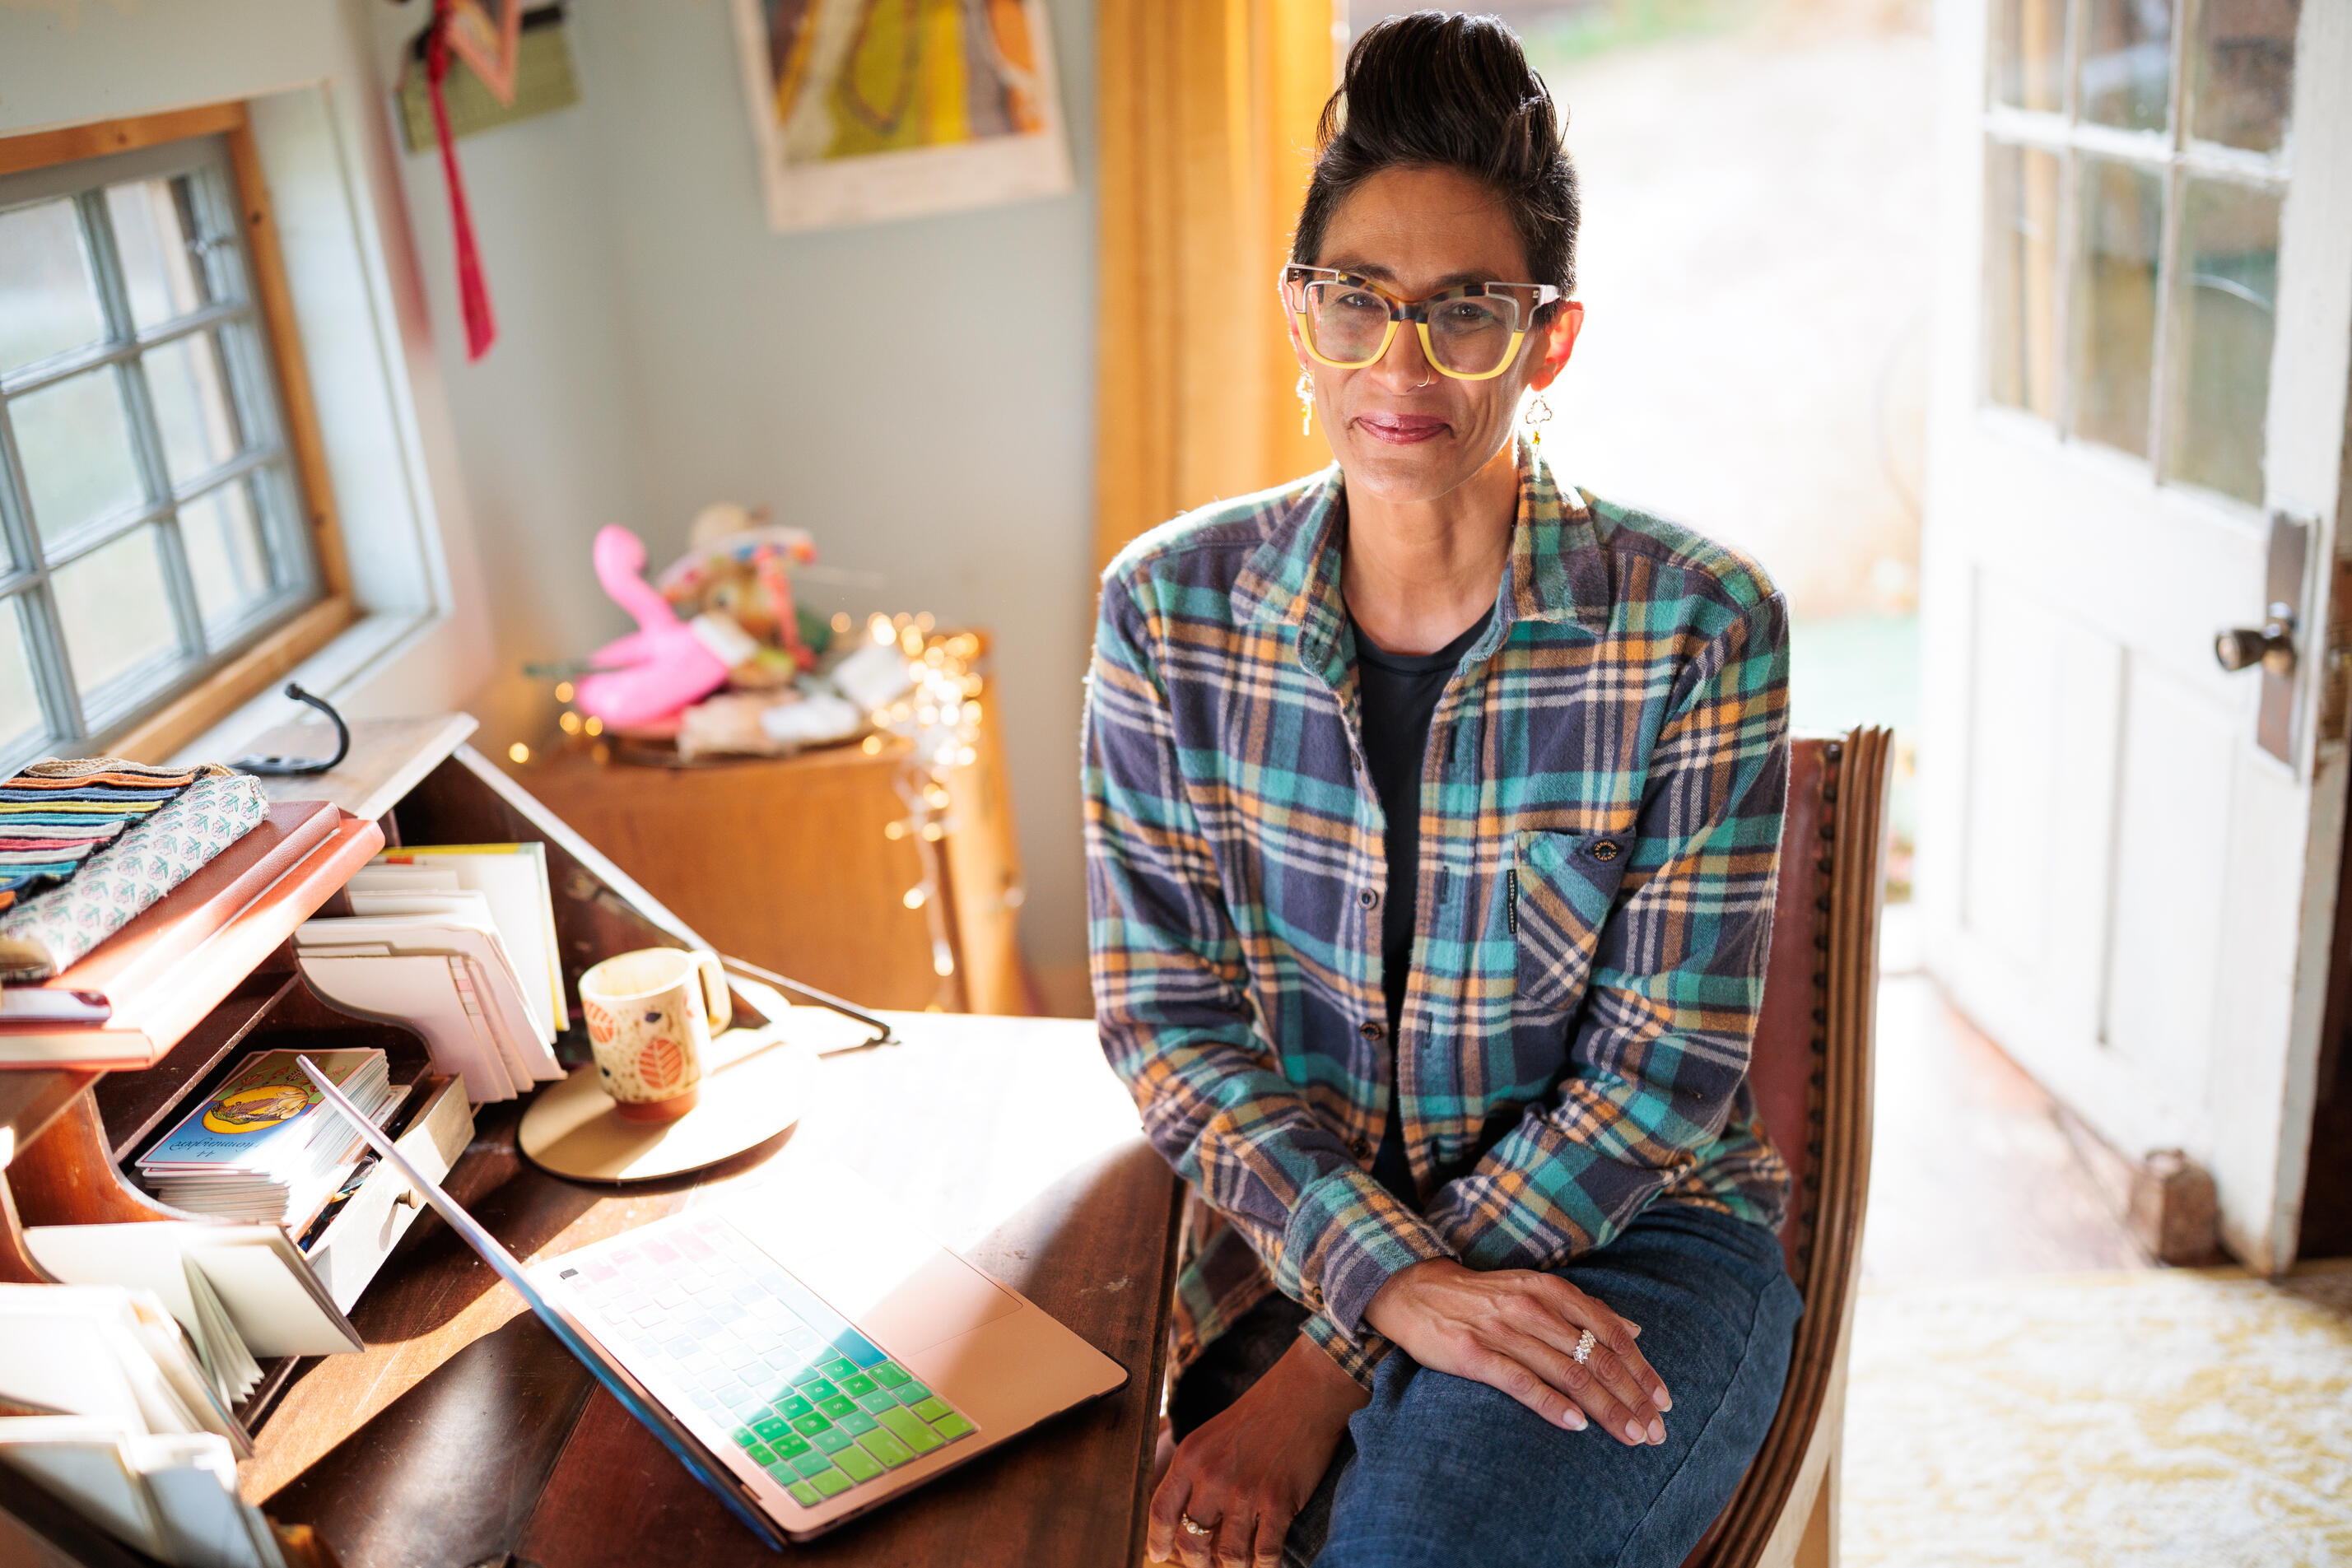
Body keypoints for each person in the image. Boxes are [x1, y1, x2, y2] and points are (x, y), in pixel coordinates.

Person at [1082, 12, 1800, 1568]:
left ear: (1549, 338)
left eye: (1465, 311)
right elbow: (1165, 1018)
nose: (1399, 365)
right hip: (1280, 1224)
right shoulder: (1165, 611)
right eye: (1358, 302)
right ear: (1299, 317)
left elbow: (1661, 1074)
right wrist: (1377, 1289)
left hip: (1627, 1237)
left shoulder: (1697, 623)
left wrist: (1321, 1375)